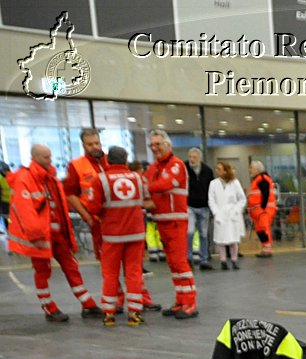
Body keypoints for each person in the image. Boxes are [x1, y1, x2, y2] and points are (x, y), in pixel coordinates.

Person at [6, 144, 100, 321]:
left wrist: (67, 234)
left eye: (50, 157)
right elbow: (25, 209)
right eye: (46, 157)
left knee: (71, 267)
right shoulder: (25, 179)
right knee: (43, 271)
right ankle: (48, 306)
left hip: (56, 234)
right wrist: (36, 236)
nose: (50, 160)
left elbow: (60, 207)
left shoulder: (51, 178)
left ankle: (87, 303)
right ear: (35, 157)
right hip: (40, 236)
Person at [82, 145, 148, 327]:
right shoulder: (137, 178)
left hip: (112, 235)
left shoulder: (101, 180)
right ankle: (134, 313)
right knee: (134, 272)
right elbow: (146, 201)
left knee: (110, 273)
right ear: (126, 160)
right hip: (135, 233)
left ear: (108, 161)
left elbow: (93, 207)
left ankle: (109, 314)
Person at [144, 130, 197, 319]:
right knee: (173, 264)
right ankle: (180, 299)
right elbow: (149, 184)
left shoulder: (177, 165)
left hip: (175, 221)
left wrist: (144, 188)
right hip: (161, 221)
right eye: (152, 145)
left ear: (168, 145)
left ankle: (190, 302)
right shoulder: (153, 168)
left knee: (180, 262)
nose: (155, 148)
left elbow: (163, 185)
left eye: (158, 144)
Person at [209, 161, 246, 270]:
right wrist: (216, 213)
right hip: (220, 214)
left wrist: (236, 210)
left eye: (219, 169)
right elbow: (211, 200)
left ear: (225, 170)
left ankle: (234, 260)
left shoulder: (235, 182)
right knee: (221, 240)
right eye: (216, 169)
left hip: (232, 214)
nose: (217, 171)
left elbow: (242, 199)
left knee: (233, 239)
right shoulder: (213, 183)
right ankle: (223, 261)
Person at [186, 147, 214, 270]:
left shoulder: (207, 171)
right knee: (189, 232)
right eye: (190, 157)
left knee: (203, 234)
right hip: (189, 206)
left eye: (194, 157)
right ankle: (188, 258)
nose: (192, 159)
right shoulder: (184, 168)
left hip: (204, 206)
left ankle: (204, 259)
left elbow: (211, 188)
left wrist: (211, 204)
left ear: (200, 158)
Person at [247, 161, 277, 257]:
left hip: (263, 210)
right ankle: (265, 248)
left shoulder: (262, 178)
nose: (250, 169)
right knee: (260, 229)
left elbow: (265, 193)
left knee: (264, 228)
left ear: (257, 169)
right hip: (259, 210)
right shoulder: (257, 179)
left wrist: (262, 208)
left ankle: (267, 249)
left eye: (251, 167)